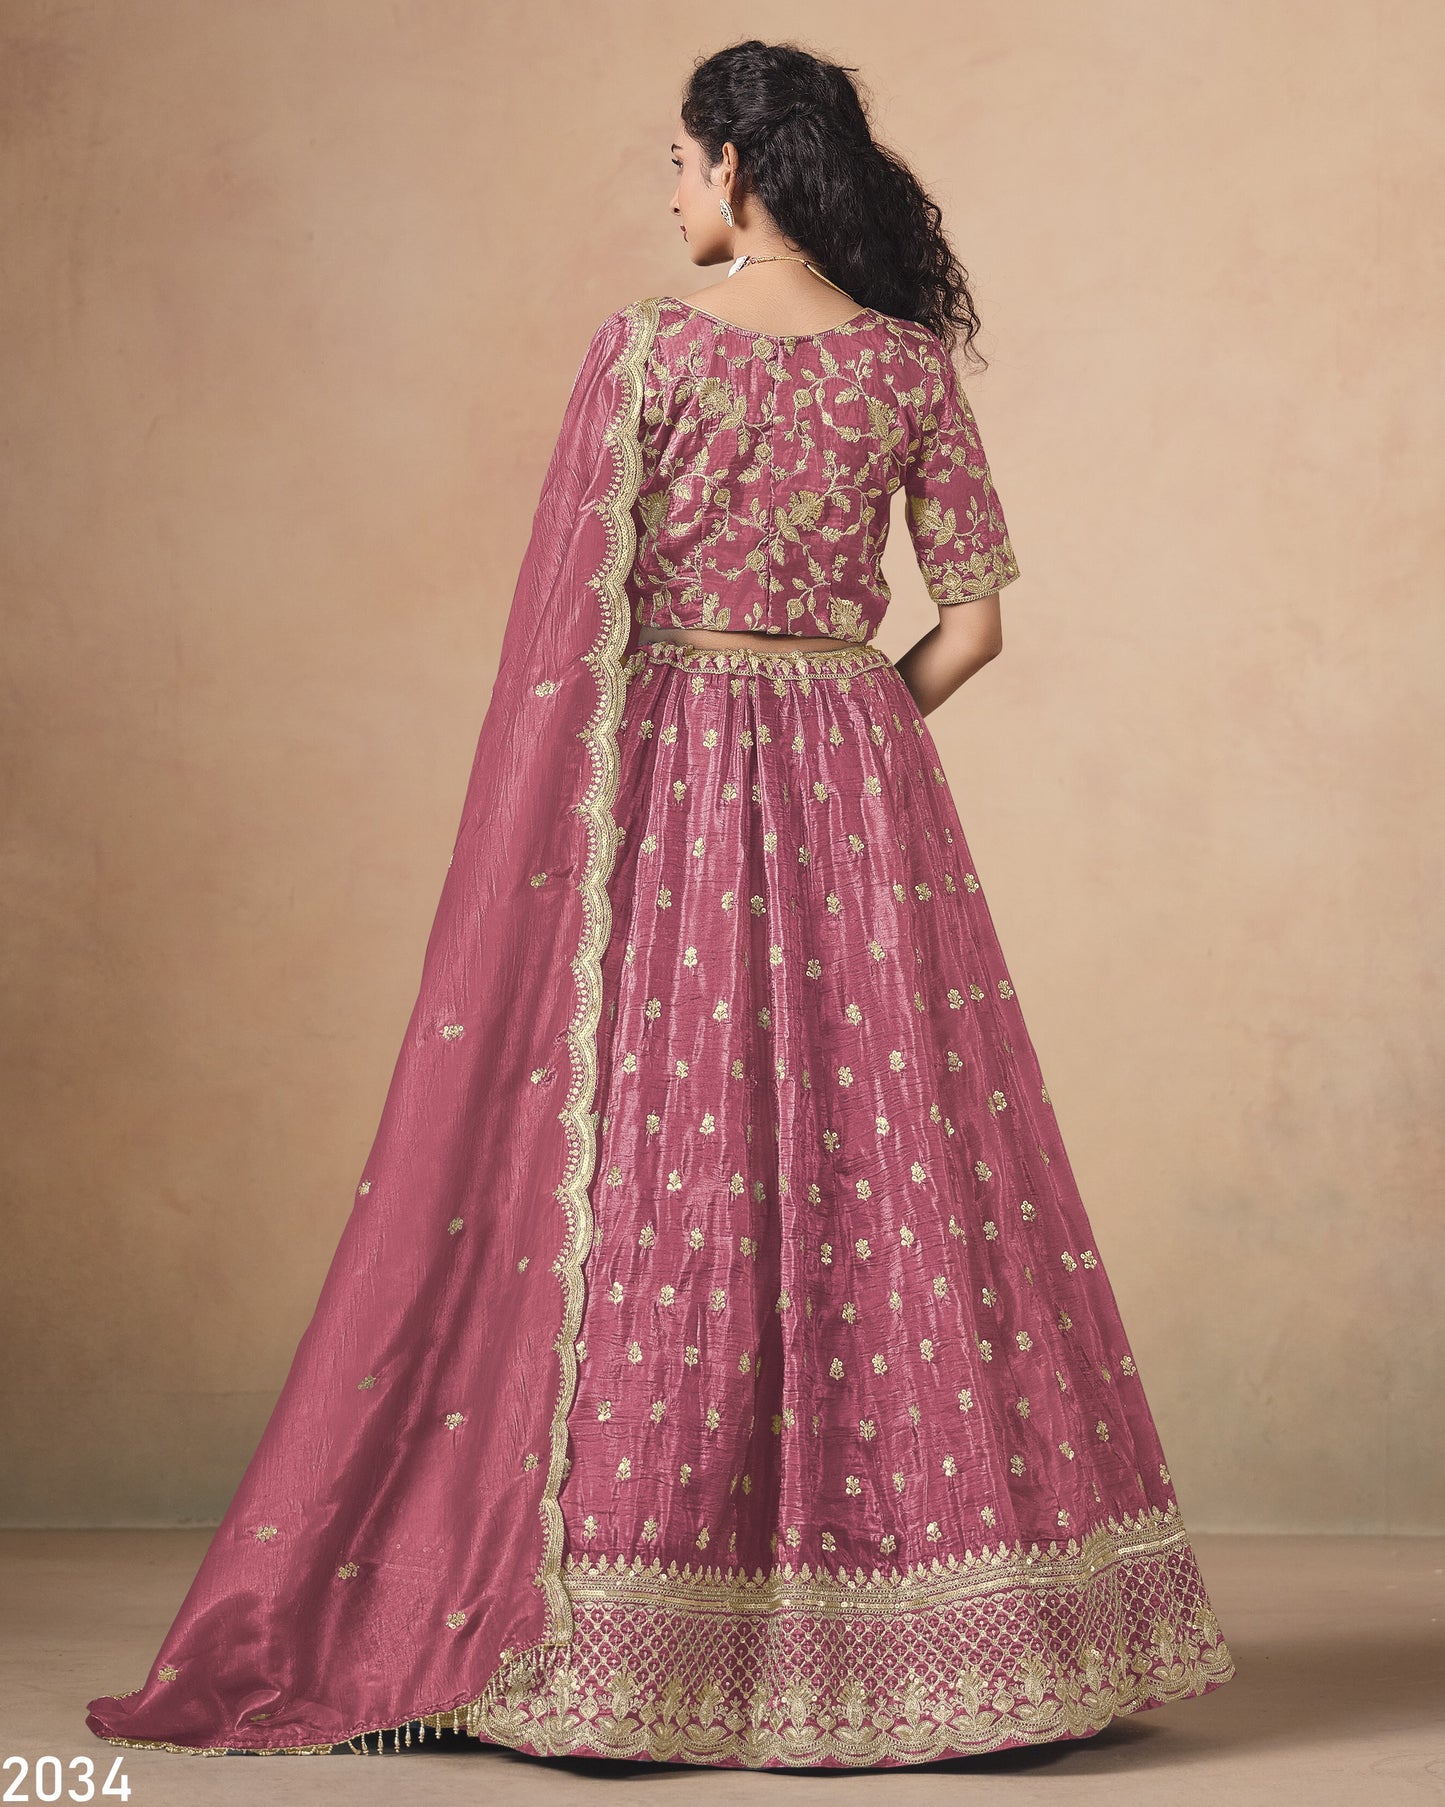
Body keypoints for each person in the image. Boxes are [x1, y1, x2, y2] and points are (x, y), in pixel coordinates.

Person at [85, 37, 1234, 1771]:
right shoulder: (905, 364)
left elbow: (575, 628)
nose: (673, 194)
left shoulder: (648, 351)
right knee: (893, 1161)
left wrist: (622, 783)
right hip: (861, 776)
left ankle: (628, 1643)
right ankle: (969, 1645)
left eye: (681, 166)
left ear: (736, 169)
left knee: (660, 1160)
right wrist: (851, 732)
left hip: (676, 771)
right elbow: (976, 622)